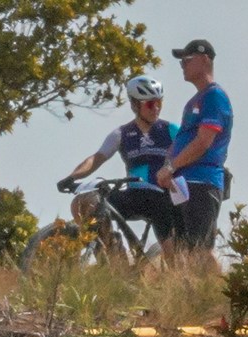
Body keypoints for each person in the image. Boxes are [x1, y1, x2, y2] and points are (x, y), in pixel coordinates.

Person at [56, 77, 184, 246]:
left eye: (160, 102)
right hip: (135, 196)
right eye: (150, 104)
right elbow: (97, 158)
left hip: (163, 197)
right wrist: (73, 177)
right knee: (84, 203)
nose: (157, 108)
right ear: (134, 105)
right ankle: (113, 251)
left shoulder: (171, 130)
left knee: (172, 252)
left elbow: (190, 154)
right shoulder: (121, 134)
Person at [163, 38, 233, 255]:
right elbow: (182, 139)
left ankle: (211, 287)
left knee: (199, 250)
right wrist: (167, 166)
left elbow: (203, 142)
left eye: (186, 60)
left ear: (204, 60)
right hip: (183, 184)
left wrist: (171, 166)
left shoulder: (214, 96)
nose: (182, 65)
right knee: (183, 248)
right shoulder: (194, 100)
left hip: (202, 182)